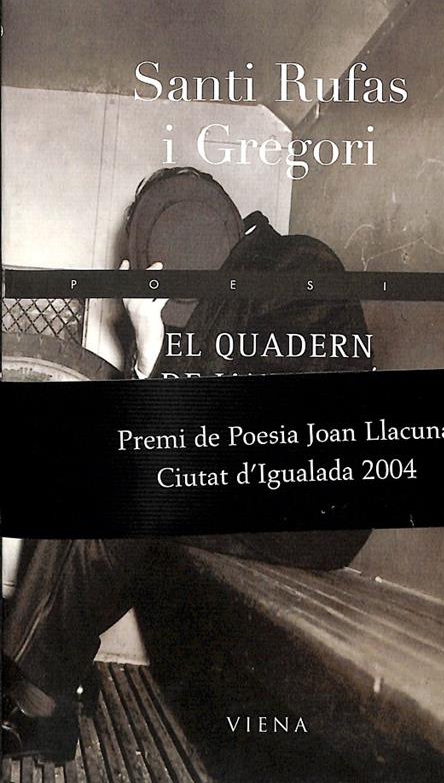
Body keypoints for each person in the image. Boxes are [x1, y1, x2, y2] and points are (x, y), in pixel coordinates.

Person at [2, 168, 372, 762]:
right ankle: (44, 679)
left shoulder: (295, 264)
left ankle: (39, 698)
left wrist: (154, 359)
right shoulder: (212, 300)